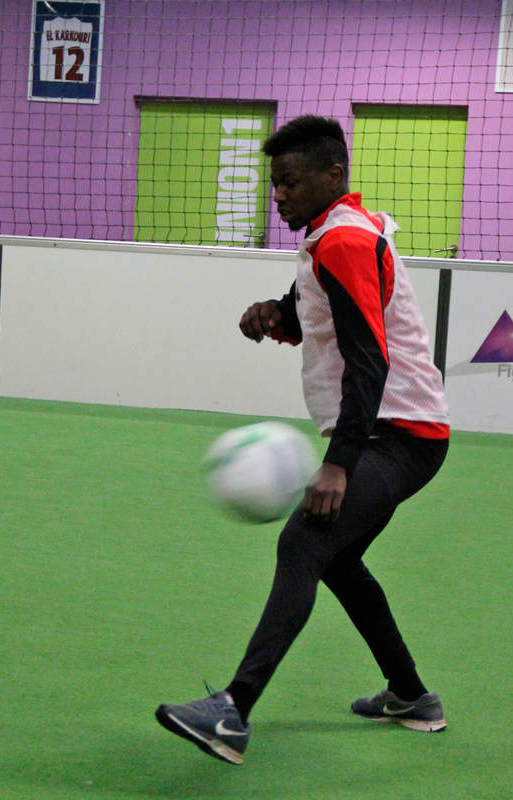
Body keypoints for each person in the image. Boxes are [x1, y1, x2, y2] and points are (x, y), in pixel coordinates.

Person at [155, 115, 451, 764]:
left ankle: (232, 712)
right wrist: (276, 315)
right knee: (336, 560)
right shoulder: (332, 232)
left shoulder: (343, 241)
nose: (279, 195)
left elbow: (368, 360)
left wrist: (338, 465)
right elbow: (316, 311)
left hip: (399, 437)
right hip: (393, 432)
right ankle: (411, 696)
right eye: (275, 183)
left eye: (290, 181)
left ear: (333, 175)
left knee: (304, 543)